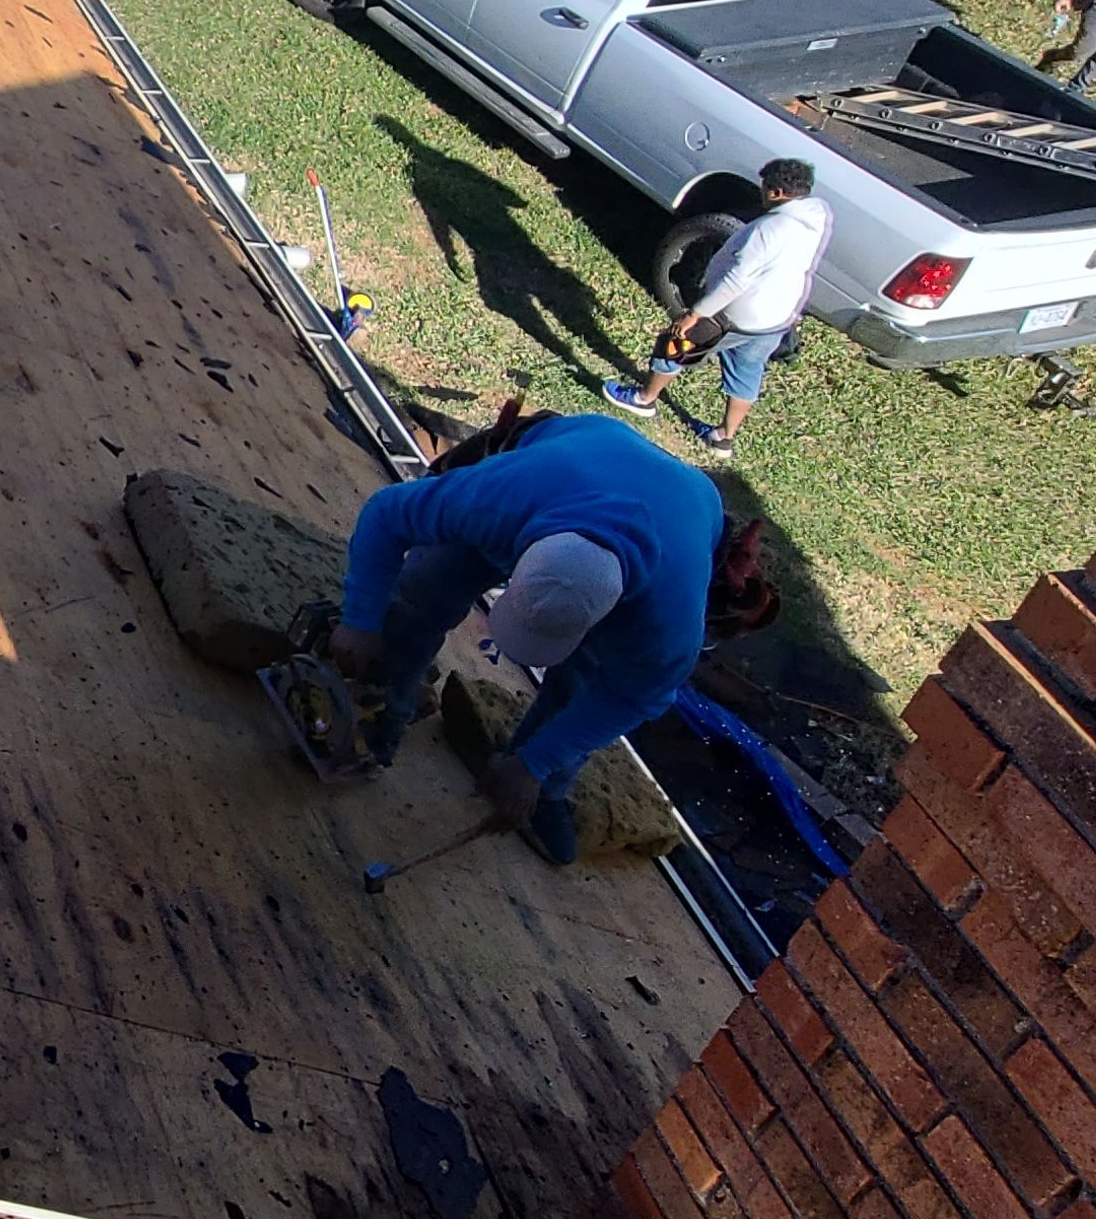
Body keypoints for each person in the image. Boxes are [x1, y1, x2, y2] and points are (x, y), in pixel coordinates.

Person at [328, 412, 772, 865]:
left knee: (586, 674)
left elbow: (631, 698)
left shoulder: (668, 621)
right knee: (431, 581)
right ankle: (382, 697)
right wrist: (360, 619)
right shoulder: (498, 498)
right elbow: (387, 514)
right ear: (518, 559)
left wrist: (536, 764)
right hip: (582, 453)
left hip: (686, 507)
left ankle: (540, 784)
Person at [604, 158, 830, 460]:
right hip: (776, 318)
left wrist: (696, 313)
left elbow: (737, 279)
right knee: (748, 371)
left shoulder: (770, 228)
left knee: (676, 346)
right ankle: (723, 438)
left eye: (764, 188)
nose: (761, 193)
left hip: (737, 315)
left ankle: (644, 400)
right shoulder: (817, 215)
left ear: (776, 192)